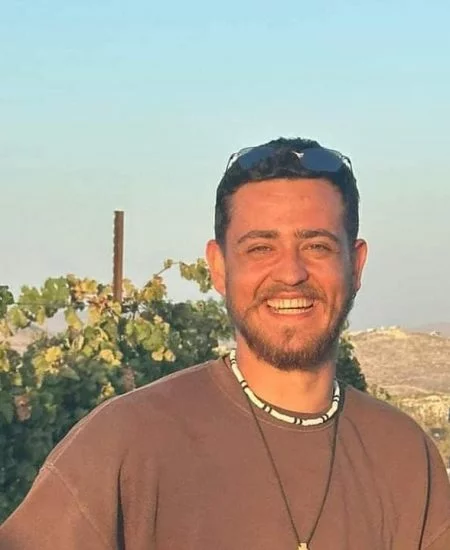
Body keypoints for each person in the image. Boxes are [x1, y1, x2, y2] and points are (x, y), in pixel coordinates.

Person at [1, 137, 449, 550]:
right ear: (218, 268)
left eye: (317, 246)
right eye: (260, 248)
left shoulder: (405, 457)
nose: (290, 272)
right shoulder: (124, 445)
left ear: (357, 265)